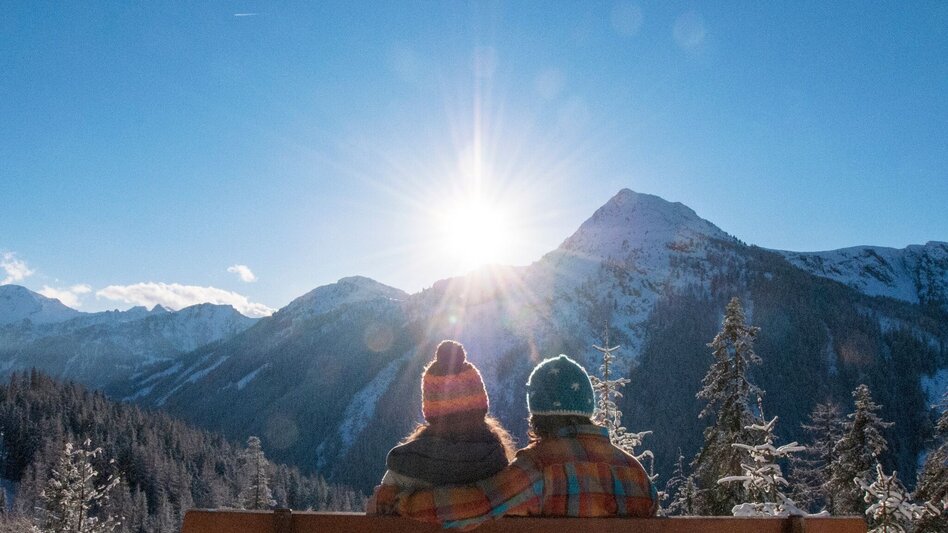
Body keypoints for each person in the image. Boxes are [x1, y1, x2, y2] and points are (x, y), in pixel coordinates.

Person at [369, 354, 658, 529]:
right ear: (588, 409)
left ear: (537, 414)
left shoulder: (539, 469)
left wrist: (400, 501)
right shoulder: (636, 473)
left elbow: (474, 505)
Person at [379, 340, 515, 490]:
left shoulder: (403, 468)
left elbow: (378, 506)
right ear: (481, 407)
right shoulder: (498, 463)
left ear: (430, 411)